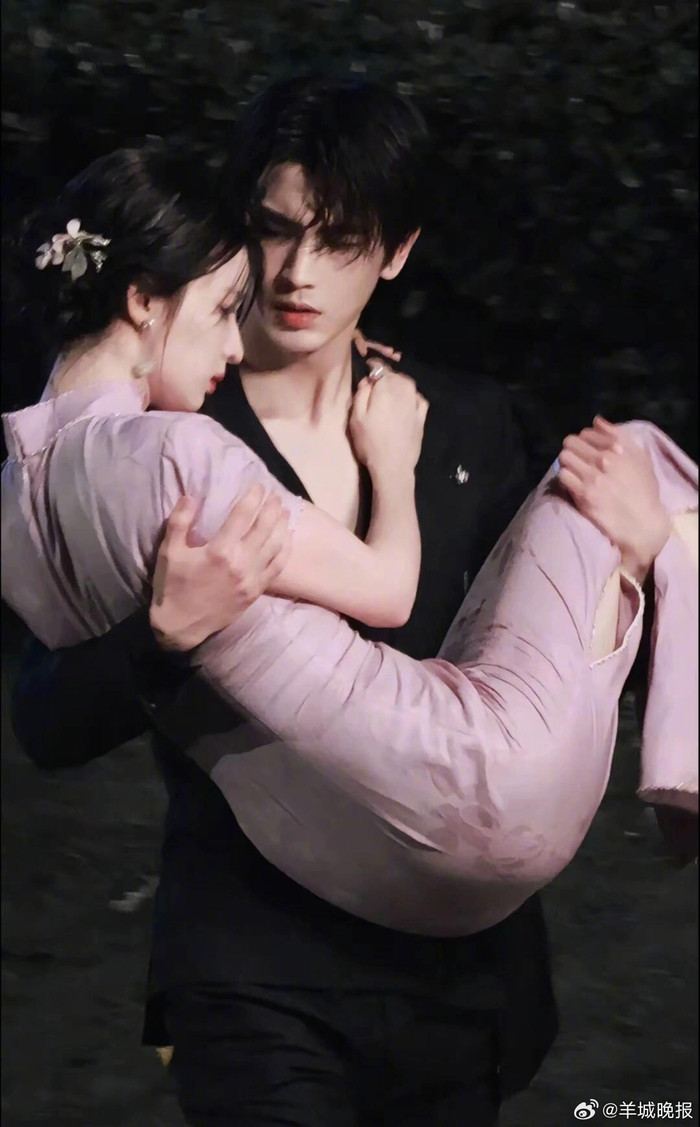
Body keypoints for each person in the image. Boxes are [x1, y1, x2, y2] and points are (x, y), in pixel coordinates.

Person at [6, 80, 696, 1127]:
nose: (296, 272)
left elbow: (554, 658)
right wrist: (159, 636)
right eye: (274, 230)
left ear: (397, 251)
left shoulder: (464, 421)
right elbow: (46, 721)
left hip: (455, 976)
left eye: (340, 240)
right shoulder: (173, 428)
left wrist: (648, 548)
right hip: (254, 967)